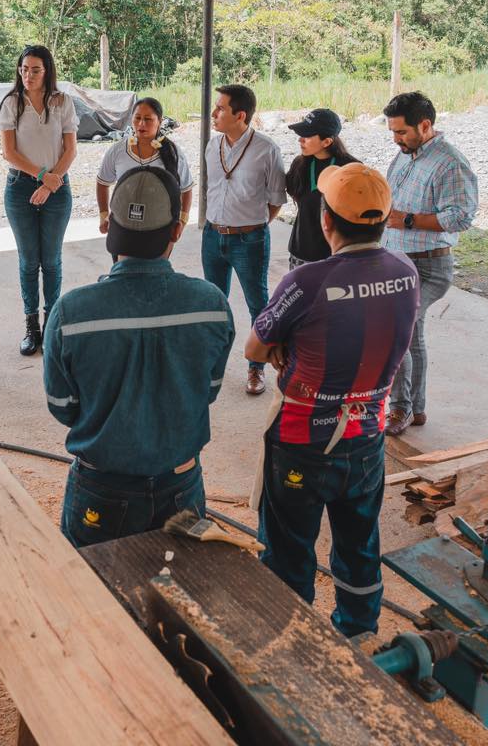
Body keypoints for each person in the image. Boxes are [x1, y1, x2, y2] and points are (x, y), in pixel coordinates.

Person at [245, 164, 419, 637]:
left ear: (326, 220)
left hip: (301, 443)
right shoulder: (405, 272)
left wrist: (285, 347)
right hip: (366, 439)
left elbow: (255, 349)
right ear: (384, 220)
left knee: (288, 551)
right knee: (359, 547)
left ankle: (289, 640)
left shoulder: (307, 280)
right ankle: (360, 636)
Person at [44, 166, 234, 547]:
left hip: (101, 489)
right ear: (176, 231)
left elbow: (62, 407)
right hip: (180, 484)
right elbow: (207, 391)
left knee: (92, 583)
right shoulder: (212, 305)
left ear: (109, 228)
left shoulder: (70, 314)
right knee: (180, 582)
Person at [380, 91, 478, 436]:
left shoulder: (450, 163)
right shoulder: (405, 155)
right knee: (411, 337)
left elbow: (461, 217)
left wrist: (407, 220)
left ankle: (399, 408)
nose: (396, 139)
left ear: (425, 125)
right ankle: (416, 408)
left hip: (427, 266)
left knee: (394, 332)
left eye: (401, 132)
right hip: (396, 260)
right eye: (392, 132)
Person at [202, 83, 287, 397]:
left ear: (240, 115)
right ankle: (211, 362)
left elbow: (276, 200)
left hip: (249, 239)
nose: (214, 113)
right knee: (213, 302)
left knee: (257, 304)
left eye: (221, 108)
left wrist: (252, 226)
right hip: (212, 235)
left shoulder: (266, 149)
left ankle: (256, 366)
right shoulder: (213, 145)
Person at [0, 45, 77, 355]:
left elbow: (70, 150)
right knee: (29, 261)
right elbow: (9, 152)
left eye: (35, 70)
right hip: (20, 188)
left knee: (52, 261)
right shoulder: (11, 103)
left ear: (47, 72)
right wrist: (43, 176)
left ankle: (52, 324)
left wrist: (51, 182)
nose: (28, 75)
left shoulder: (62, 102)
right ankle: (32, 326)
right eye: (24, 69)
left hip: (57, 187)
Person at [96, 96, 193, 249]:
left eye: (148, 119)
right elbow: (102, 183)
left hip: (161, 226)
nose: (141, 124)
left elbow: (186, 190)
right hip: (123, 225)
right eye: (137, 118)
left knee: (156, 264)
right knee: (124, 264)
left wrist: (182, 221)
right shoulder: (117, 151)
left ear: (160, 121)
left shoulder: (173, 153)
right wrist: (104, 215)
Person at [283, 108, 359, 269]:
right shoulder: (299, 164)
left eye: (307, 135)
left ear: (327, 142)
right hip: (300, 254)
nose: (300, 140)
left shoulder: (352, 168)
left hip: (336, 258)